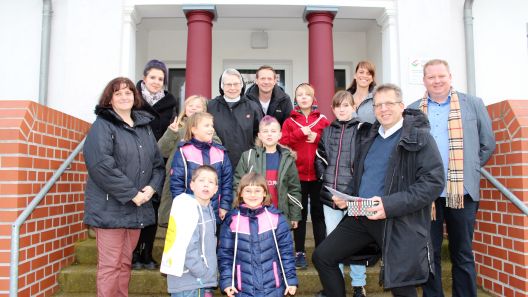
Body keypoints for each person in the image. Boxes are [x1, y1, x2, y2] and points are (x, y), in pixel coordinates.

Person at [312, 83, 445, 297]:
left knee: (401, 284)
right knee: (322, 256)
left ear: (401, 106)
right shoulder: (370, 137)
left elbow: (433, 183)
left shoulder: (419, 137)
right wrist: (350, 198)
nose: (383, 109)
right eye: (378, 105)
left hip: (396, 220)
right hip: (361, 214)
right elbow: (363, 175)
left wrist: (388, 205)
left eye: (389, 103)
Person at [408, 59, 495, 297]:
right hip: (427, 195)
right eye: (431, 77)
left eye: (441, 76)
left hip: (462, 192)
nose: (437, 81)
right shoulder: (412, 110)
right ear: (424, 80)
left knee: (463, 253)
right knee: (429, 253)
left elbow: (487, 144)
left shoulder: (473, 104)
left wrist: (469, 168)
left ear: (450, 76)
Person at [83, 77, 165, 297]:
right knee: (110, 266)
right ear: (109, 99)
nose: (124, 96)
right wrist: (131, 194)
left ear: (135, 96)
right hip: (110, 208)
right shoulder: (103, 125)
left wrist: (151, 189)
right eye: (118, 93)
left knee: (124, 263)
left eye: (128, 92)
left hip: (137, 207)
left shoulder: (144, 127)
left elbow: (158, 165)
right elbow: (101, 165)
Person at [314, 90, 367, 297]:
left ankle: (358, 285)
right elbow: (320, 157)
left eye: (346, 105)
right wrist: (324, 179)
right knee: (333, 242)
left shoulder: (363, 129)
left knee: (356, 243)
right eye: (338, 106)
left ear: (353, 106)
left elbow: (366, 160)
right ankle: (335, 285)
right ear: (333, 109)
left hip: (354, 197)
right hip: (331, 196)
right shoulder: (327, 131)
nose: (342, 109)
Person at [218, 172, 298, 297]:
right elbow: (225, 255)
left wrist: (290, 280)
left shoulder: (277, 218)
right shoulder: (232, 220)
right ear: (241, 193)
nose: (253, 195)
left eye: (257, 190)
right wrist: (227, 282)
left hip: (273, 288)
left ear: (265, 193)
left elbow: (286, 252)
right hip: (243, 288)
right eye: (248, 191)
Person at [133, 59, 178, 270]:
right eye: (153, 77)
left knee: (152, 207)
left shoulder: (170, 103)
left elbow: (171, 132)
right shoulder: (131, 99)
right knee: (135, 206)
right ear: (144, 78)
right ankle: (133, 253)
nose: (156, 82)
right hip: (134, 159)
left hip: (158, 160)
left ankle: (147, 253)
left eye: (161, 79)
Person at [280, 83, 330, 269]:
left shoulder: (323, 121)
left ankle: (320, 252)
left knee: (318, 215)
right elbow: (282, 142)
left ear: (313, 98)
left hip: (318, 176)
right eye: (299, 94)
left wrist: (316, 138)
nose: (303, 97)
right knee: (298, 216)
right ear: (296, 99)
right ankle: (299, 252)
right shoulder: (289, 122)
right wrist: (300, 133)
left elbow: (330, 143)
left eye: (307, 94)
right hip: (297, 177)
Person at [157, 95, 220, 228]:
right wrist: (171, 133)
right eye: (190, 105)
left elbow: (218, 149)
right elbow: (162, 151)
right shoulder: (176, 128)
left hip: (201, 179)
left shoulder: (210, 130)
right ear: (185, 109)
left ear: (204, 110)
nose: (194, 108)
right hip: (177, 178)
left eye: (198, 106)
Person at [234, 115, 302, 228]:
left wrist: (295, 215)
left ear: (280, 134)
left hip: (280, 214)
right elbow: (237, 184)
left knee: (280, 244)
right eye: (265, 131)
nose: (269, 134)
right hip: (253, 214)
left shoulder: (287, 159)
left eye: (273, 131)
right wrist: (238, 210)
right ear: (260, 135)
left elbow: (294, 189)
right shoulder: (248, 157)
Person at [161, 165, 219, 297]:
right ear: (192, 185)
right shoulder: (187, 207)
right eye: (201, 180)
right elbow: (187, 246)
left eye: (211, 182)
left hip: (201, 282)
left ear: (216, 189)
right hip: (189, 282)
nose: (206, 185)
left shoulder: (208, 209)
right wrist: (203, 273)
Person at [169, 112, 233, 224]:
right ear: (194, 129)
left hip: (215, 212)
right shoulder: (184, 151)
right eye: (206, 125)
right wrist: (182, 207)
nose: (211, 129)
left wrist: (224, 206)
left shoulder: (220, 152)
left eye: (212, 125)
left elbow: (227, 182)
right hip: (190, 213)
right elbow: (176, 183)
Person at [208, 68, 263, 167]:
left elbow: (259, 135)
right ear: (222, 86)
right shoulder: (210, 106)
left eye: (236, 84)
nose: (232, 88)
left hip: (246, 163)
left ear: (242, 85)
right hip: (216, 163)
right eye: (228, 84)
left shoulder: (253, 107)